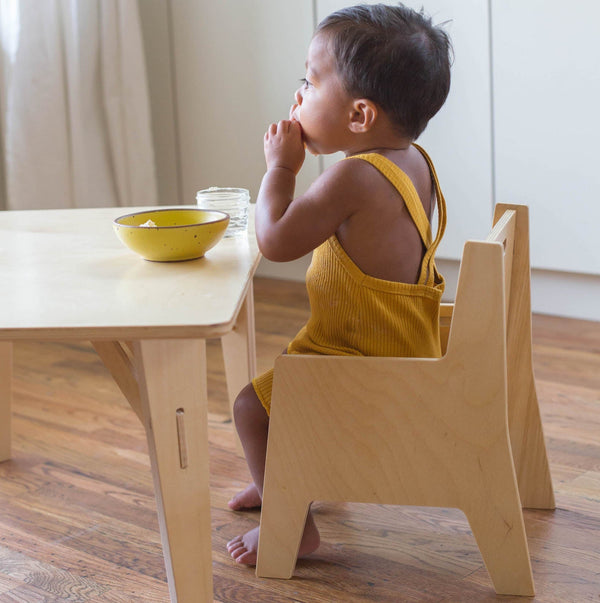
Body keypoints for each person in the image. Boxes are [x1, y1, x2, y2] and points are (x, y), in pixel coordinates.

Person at [227, 2, 452, 565]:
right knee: (268, 402)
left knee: (252, 408)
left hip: (360, 360)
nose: (298, 95)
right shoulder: (412, 161)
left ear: (359, 116)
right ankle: (283, 476)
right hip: (403, 343)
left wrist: (280, 169)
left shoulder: (353, 177)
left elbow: (275, 240)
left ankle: (293, 522)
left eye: (309, 80)